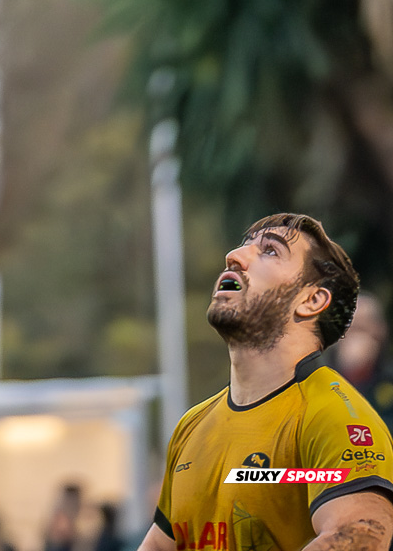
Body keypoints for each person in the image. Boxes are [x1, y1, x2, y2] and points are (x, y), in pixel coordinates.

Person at [136, 213, 393, 551]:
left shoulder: (335, 416)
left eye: (270, 250)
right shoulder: (191, 427)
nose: (234, 256)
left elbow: (360, 536)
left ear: (311, 300)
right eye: (243, 246)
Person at [335, 294, 393, 433]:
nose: (356, 339)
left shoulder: (389, 380)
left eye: (362, 328)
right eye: (350, 329)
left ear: (380, 330)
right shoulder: (317, 376)